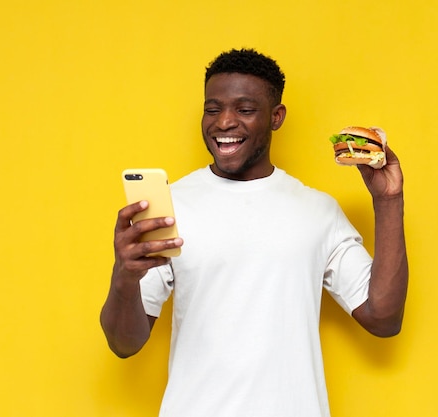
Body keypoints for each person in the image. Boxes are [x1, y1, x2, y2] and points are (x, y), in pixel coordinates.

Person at [100, 48, 408, 417]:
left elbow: (384, 319)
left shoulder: (317, 211)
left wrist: (389, 201)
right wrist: (124, 276)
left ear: (276, 117)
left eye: (245, 110)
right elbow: (124, 343)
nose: (224, 123)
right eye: (212, 109)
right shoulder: (171, 207)